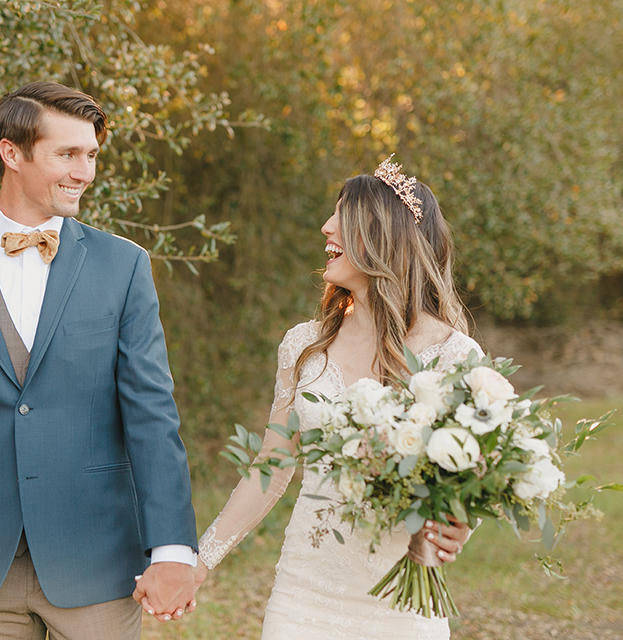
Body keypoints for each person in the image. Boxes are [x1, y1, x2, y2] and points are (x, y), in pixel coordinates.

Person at [0, 81, 198, 640]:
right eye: (68, 154)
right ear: (12, 153)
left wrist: (173, 548)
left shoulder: (124, 266)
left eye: (91, 155)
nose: (85, 172)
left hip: (98, 566)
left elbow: (152, 417)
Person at [195, 157, 483, 639]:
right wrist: (200, 562)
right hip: (302, 595)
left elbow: (465, 476)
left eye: (342, 217)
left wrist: (459, 524)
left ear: (383, 237)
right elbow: (272, 467)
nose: (327, 226)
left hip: (400, 601)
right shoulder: (304, 345)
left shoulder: (453, 355)